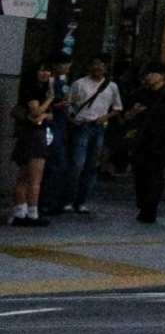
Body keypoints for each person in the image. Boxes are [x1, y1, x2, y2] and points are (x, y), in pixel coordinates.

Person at [55, 54, 117, 217]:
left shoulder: (112, 87)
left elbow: (117, 108)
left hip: (99, 127)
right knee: (77, 164)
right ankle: (67, 200)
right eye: (95, 64)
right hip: (81, 126)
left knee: (91, 166)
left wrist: (105, 117)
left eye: (101, 65)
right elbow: (68, 104)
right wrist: (71, 118)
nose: (98, 68)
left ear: (106, 68)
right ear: (89, 67)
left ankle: (81, 201)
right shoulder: (79, 84)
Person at [122, 63, 165, 223]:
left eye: (153, 73)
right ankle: (143, 202)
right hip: (141, 139)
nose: (149, 76)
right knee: (140, 172)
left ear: (163, 76)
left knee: (156, 174)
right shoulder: (138, 94)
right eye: (147, 73)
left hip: (163, 139)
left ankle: (151, 207)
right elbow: (126, 117)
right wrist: (133, 113)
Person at [6, 58, 49, 223]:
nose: (45, 74)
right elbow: (36, 113)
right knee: (34, 178)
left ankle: (20, 212)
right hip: (34, 137)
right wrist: (50, 99)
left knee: (24, 176)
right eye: (42, 70)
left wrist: (44, 114)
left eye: (47, 71)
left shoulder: (33, 90)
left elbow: (41, 115)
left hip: (27, 136)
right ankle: (32, 213)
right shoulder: (34, 92)